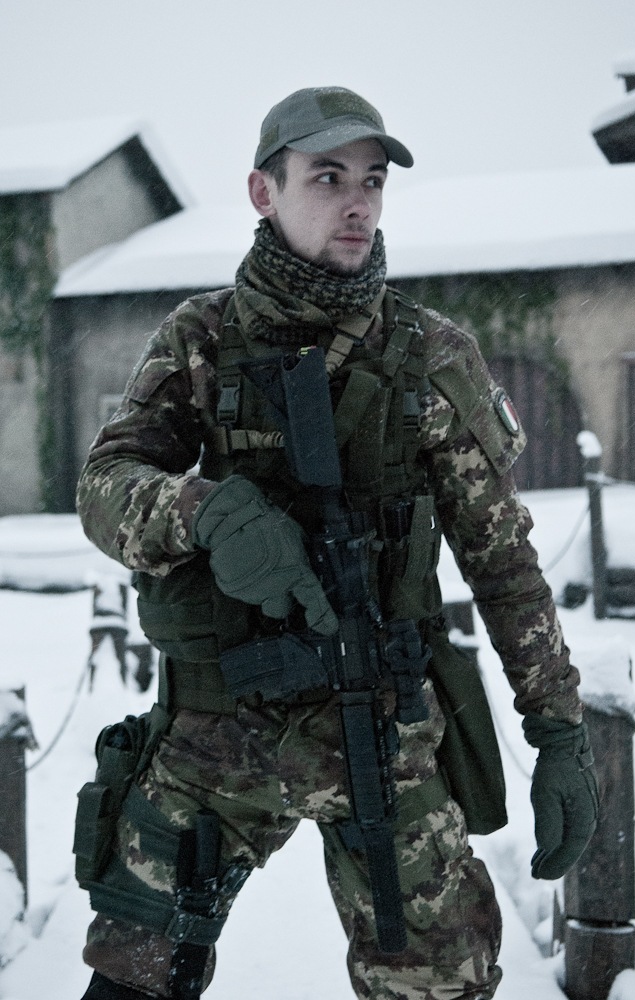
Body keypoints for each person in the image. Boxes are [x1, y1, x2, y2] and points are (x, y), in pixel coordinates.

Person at [74, 87, 598, 1000]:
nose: (358, 203)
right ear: (263, 191)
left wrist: (558, 730)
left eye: (372, 181)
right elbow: (104, 486)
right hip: (218, 736)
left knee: (441, 987)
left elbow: (503, 560)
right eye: (327, 177)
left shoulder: (431, 355)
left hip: (382, 733)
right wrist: (203, 509)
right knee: (131, 982)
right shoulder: (201, 340)